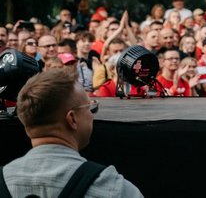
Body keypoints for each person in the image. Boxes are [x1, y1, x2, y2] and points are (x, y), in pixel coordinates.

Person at [0, 68, 143, 197]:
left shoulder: (3, 181)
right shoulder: (115, 189)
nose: (92, 115)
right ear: (72, 119)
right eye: (89, 107)